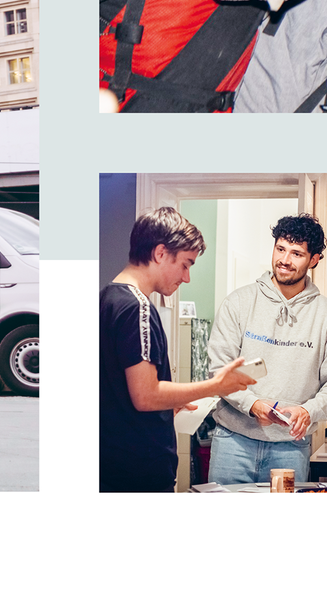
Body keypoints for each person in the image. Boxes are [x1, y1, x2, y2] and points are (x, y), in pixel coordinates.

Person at [101, 207, 259, 493]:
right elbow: (145, 396)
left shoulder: (108, 298)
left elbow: (122, 394)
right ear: (160, 253)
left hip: (114, 467)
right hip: (136, 473)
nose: (186, 277)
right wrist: (215, 386)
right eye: (185, 264)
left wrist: (170, 403)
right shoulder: (136, 307)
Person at [204, 214, 327, 487]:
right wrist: (252, 405)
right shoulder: (238, 303)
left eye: (297, 253)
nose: (285, 260)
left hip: (290, 446)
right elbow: (219, 369)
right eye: (280, 248)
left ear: (314, 260)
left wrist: (310, 410)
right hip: (232, 441)